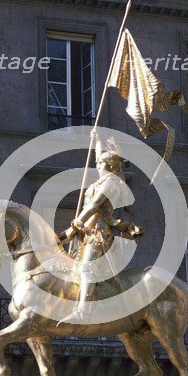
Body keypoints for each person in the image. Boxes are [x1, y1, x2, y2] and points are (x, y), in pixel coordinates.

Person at [59, 129, 143, 324]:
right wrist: (97, 140)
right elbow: (99, 155)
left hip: (99, 233)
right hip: (87, 232)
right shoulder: (102, 180)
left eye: (100, 163)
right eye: (97, 162)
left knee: (87, 267)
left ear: (109, 165)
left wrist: (75, 225)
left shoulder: (111, 183)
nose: (97, 165)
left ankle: (83, 312)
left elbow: (94, 206)